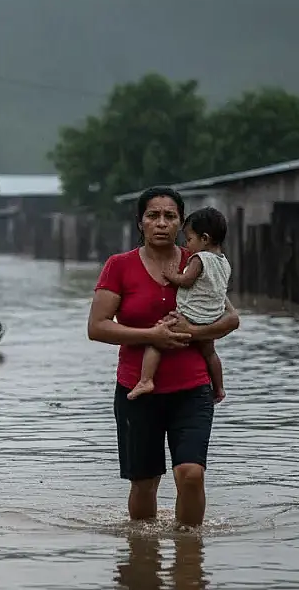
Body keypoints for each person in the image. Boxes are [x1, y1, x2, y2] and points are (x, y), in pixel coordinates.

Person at [86, 186, 240, 528]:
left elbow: (231, 319)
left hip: (192, 388)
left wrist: (191, 332)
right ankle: (143, 550)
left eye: (170, 216)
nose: (161, 223)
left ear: (181, 224)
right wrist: (151, 336)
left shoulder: (198, 261)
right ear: (140, 222)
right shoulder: (119, 266)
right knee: (144, 483)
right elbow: (97, 327)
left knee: (191, 474)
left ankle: (190, 550)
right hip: (136, 390)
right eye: (153, 215)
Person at [130, 207, 231, 403]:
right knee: (210, 353)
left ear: (204, 239)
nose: (187, 244)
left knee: (157, 337)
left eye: (190, 239)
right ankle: (219, 388)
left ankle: (146, 380)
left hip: (190, 314)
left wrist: (171, 275)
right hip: (212, 316)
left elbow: (186, 281)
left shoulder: (199, 258)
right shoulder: (223, 262)